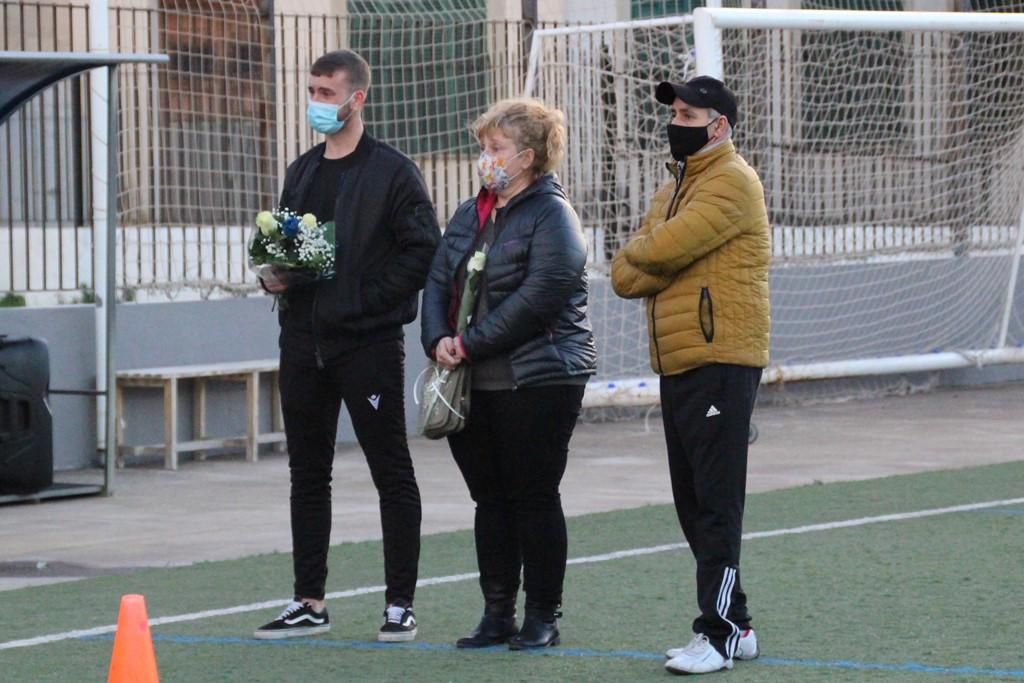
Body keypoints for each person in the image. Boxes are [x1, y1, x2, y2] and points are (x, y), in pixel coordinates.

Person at [253, 49, 440, 643]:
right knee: (308, 472)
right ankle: (309, 601)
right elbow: (291, 246)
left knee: (391, 470)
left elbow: (422, 252)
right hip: (302, 344)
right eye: (311, 91)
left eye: (326, 93)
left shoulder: (393, 171)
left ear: (357, 98)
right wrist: (273, 274)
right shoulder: (302, 169)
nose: (316, 103)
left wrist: (362, 301)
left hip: (368, 347)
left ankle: (399, 605)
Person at [420, 98, 597, 650]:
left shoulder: (552, 214)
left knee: (534, 495)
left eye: (495, 149)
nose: (484, 158)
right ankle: (497, 612)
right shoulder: (472, 212)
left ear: (528, 156)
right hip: (475, 381)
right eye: (483, 147)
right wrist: (437, 340)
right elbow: (437, 280)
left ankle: (542, 616)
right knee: (489, 499)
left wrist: (468, 342)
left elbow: (539, 297)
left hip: (539, 378)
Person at [610, 76, 770, 675]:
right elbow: (627, 274)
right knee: (692, 500)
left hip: (721, 359)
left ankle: (721, 633)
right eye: (673, 111)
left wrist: (653, 253)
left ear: (719, 125)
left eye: (687, 112)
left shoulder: (731, 181)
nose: (675, 120)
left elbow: (655, 253)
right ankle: (739, 623)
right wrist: (653, 254)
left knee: (715, 504)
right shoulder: (674, 186)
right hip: (679, 362)